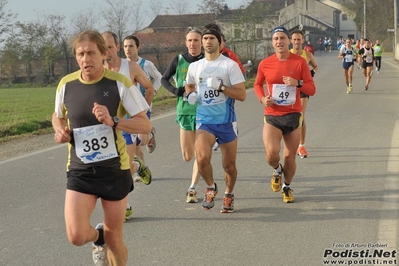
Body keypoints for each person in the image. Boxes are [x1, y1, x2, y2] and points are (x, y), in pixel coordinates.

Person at [52, 30, 151, 265]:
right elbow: (57, 116)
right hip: (80, 170)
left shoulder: (119, 83)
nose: (85, 59)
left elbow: (144, 123)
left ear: (103, 54)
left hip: (113, 169)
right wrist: (59, 130)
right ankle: (98, 237)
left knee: (115, 239)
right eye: (80, 54)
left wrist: (114, 121)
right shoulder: (66, 84)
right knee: (76, 236)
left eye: (90, 53)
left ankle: (107, 239)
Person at [185, 27, 246, 213]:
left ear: (220, 42)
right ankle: (211, 187)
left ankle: (228, 194)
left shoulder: (229, 65)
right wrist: (191, 95)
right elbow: (189, 84)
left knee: (229, 166)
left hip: (226, 121)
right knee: (202, 158)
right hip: (205, 121)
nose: (208, 41)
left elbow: (242, 94)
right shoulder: (195, 66)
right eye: (205, 38)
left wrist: (221, 88)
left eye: (212, 38)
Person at [253, 26, 316, 203]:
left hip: (293, 114)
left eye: (282, 38)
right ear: (272, 42)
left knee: (289, 157)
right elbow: (257, 85)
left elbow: (312, 88)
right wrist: (262, 99)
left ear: (289, 41)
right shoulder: (265, 63)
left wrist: (298, 83)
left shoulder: (299, 62)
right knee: (271, 154)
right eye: (276, 39)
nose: (279, 41)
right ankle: (276, 170)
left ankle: (286, 186)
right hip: (272, 114)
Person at [102, 31, 154, 221]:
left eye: (109, 46)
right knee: (112, 170)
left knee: (122, 171)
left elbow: (149, 88)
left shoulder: (130, 67)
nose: (106, 51)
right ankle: (137, 165)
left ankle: (126, 206)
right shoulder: (97, 71)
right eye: (102, 47)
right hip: (106, 129)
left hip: (126, 127)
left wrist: (143, 114)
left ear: (117, 47)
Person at [161, 27, 204, 203]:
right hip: (185, 111)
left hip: (204, 112)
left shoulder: (206, 60)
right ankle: (201, 164)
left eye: (196, 40)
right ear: (185, 43)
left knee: (201, 154)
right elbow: (164, 79)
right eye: (190, 40)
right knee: (188, 156)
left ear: (201, 42)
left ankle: (192, 188)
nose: (193, 44)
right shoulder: (178, 60)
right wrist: (177, 91)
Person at [123, 35, 162, 159]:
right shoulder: (121, 65)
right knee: (133, 144)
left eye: (131, 46)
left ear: (138, 47)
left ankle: (150, 134)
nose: (128, 49)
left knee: (142, 141)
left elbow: (159, 78)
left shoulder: (146, 64)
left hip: (144, 106)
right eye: (125, 46)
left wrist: (153, 90)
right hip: (127, 108)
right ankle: (141, 171)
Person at [290, 30, 318, 159]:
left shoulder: (307, 54)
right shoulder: (287, 54)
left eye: (299, 39)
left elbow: (316, 67)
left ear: (302, 41)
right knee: (290, 116)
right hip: (289, 89)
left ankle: (301, 145)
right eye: (294, 39)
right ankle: (292, 143)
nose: (296, 42)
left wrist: (311, 73)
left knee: (300, 115)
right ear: (291, 41)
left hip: (302, 88)